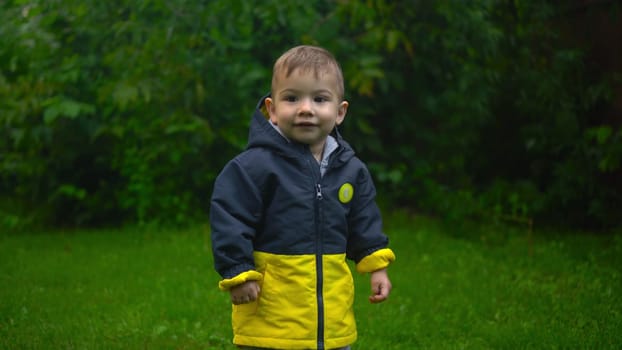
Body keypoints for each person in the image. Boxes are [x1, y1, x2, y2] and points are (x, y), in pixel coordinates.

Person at [210, 45, 396, 350]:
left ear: (339, 112)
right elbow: (230, 217)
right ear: (271, 109)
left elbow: (364, 220)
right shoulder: (254, 167)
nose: (306, 108)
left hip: (331, 319)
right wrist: (239, 272)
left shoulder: (350, 170)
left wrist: (377, 265)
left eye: (319, 99)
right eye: (292, 98)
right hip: (271, 316)